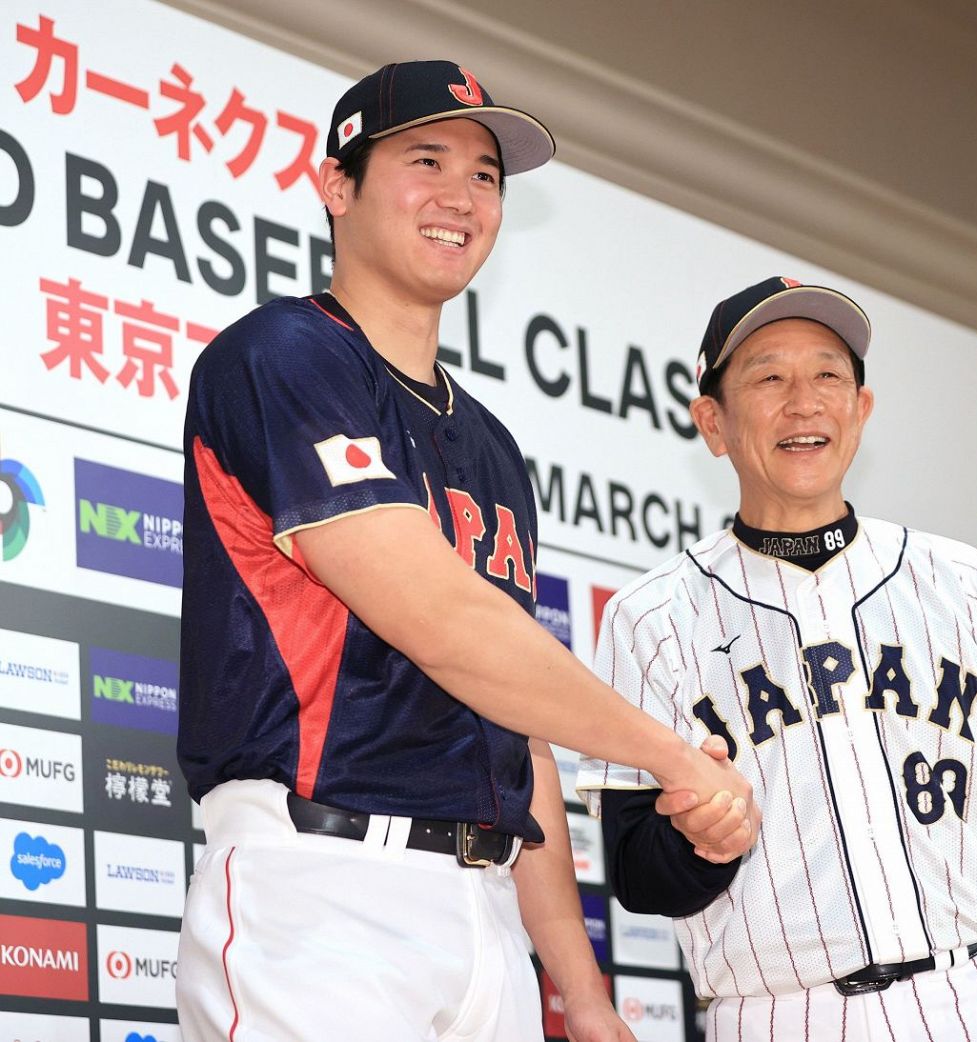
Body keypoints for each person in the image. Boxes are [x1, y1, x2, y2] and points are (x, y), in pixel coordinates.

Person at [174, 60, 753, 1042]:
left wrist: (580, 987)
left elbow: (511, 719)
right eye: (425, 159)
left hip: (483, 910)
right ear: (335, 185)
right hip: (321, 884)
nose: (461, 195)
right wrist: (671, 760)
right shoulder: (282, 355)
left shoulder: (486, 443)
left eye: (485, 175)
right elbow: (444, 624)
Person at [577, 277, 977, 1041]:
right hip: (774, 1013)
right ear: (713, 421)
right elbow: (635, 871)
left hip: (973, 996)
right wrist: (700, 842)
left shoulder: (963, 582)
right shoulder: (651, 617)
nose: (804, 401)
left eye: (829, 374)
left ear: (861, 410)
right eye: (768, 376)